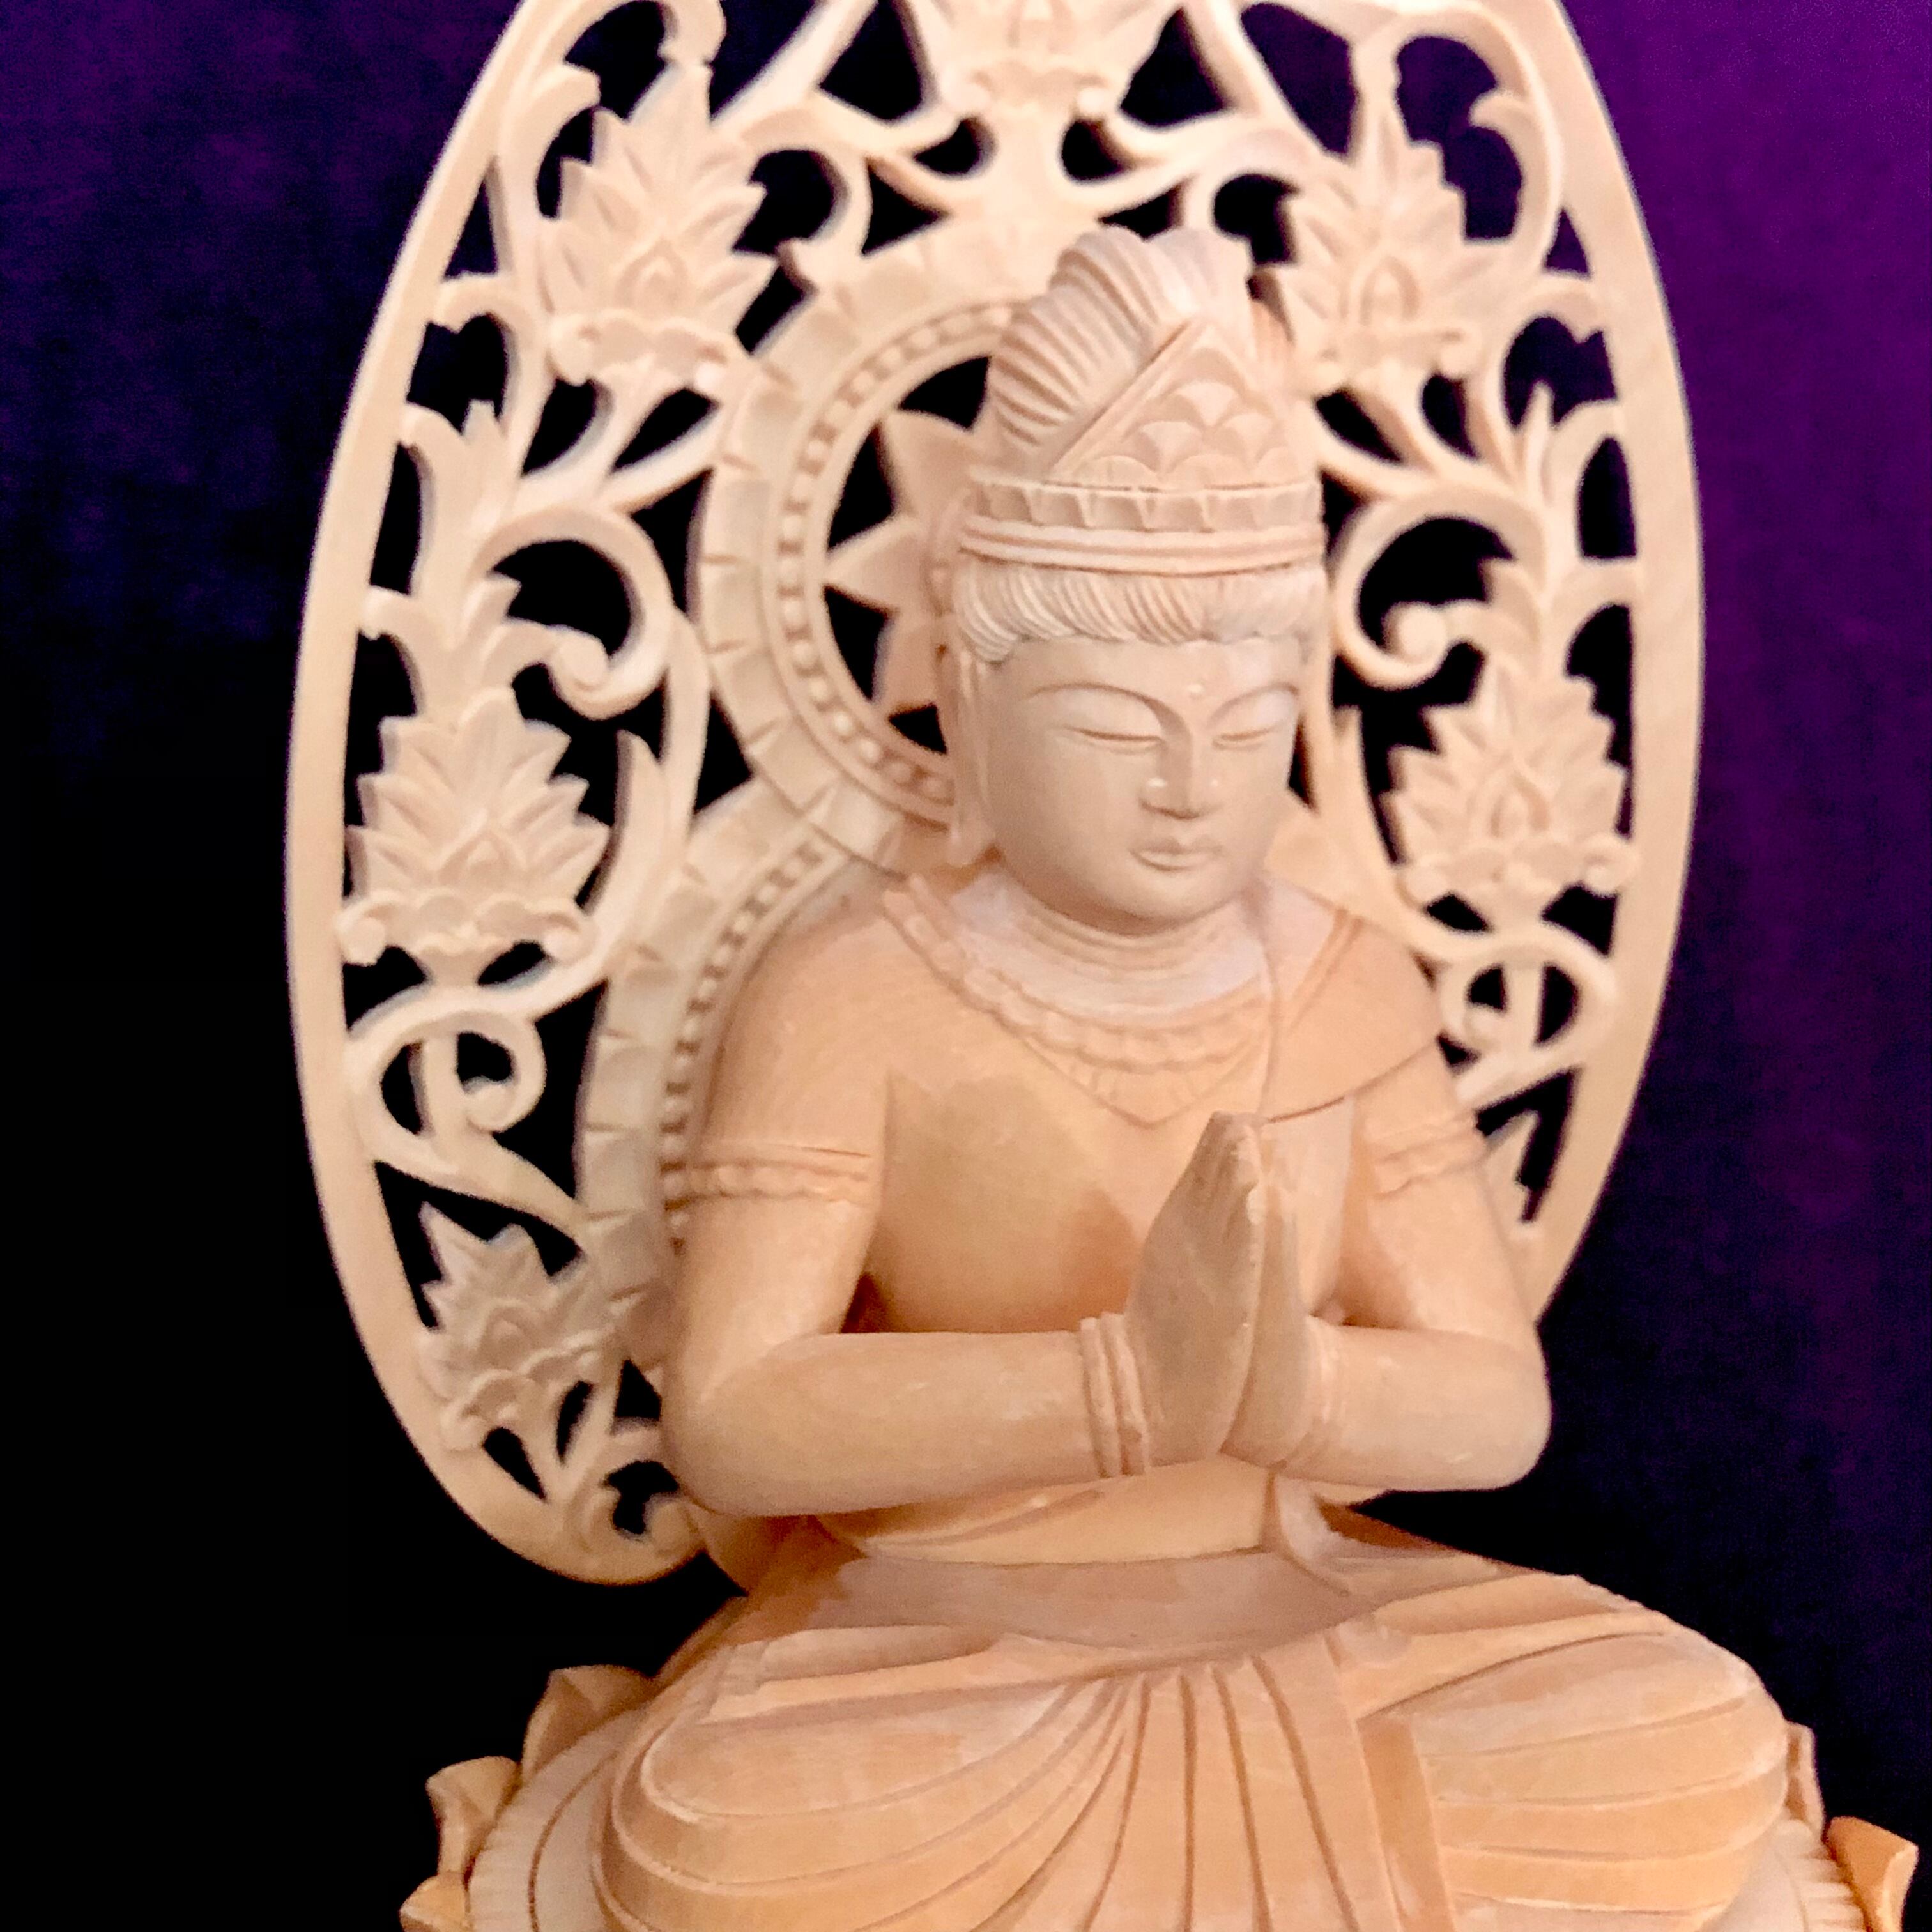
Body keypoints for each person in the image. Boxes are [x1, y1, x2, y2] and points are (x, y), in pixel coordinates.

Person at [592, 228, 1852, 1931]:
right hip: (944, 1644)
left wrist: (1280, 1384)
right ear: (965, 700)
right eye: (1117, 733)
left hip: (1310, 1611)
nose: (1189, 791)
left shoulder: (1345, 982)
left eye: (1246, 730)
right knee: (728, 1824)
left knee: (1683, 1721)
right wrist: (1126, 1387)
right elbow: (737, 1417)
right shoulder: (853, 993)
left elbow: (1498, 1408)